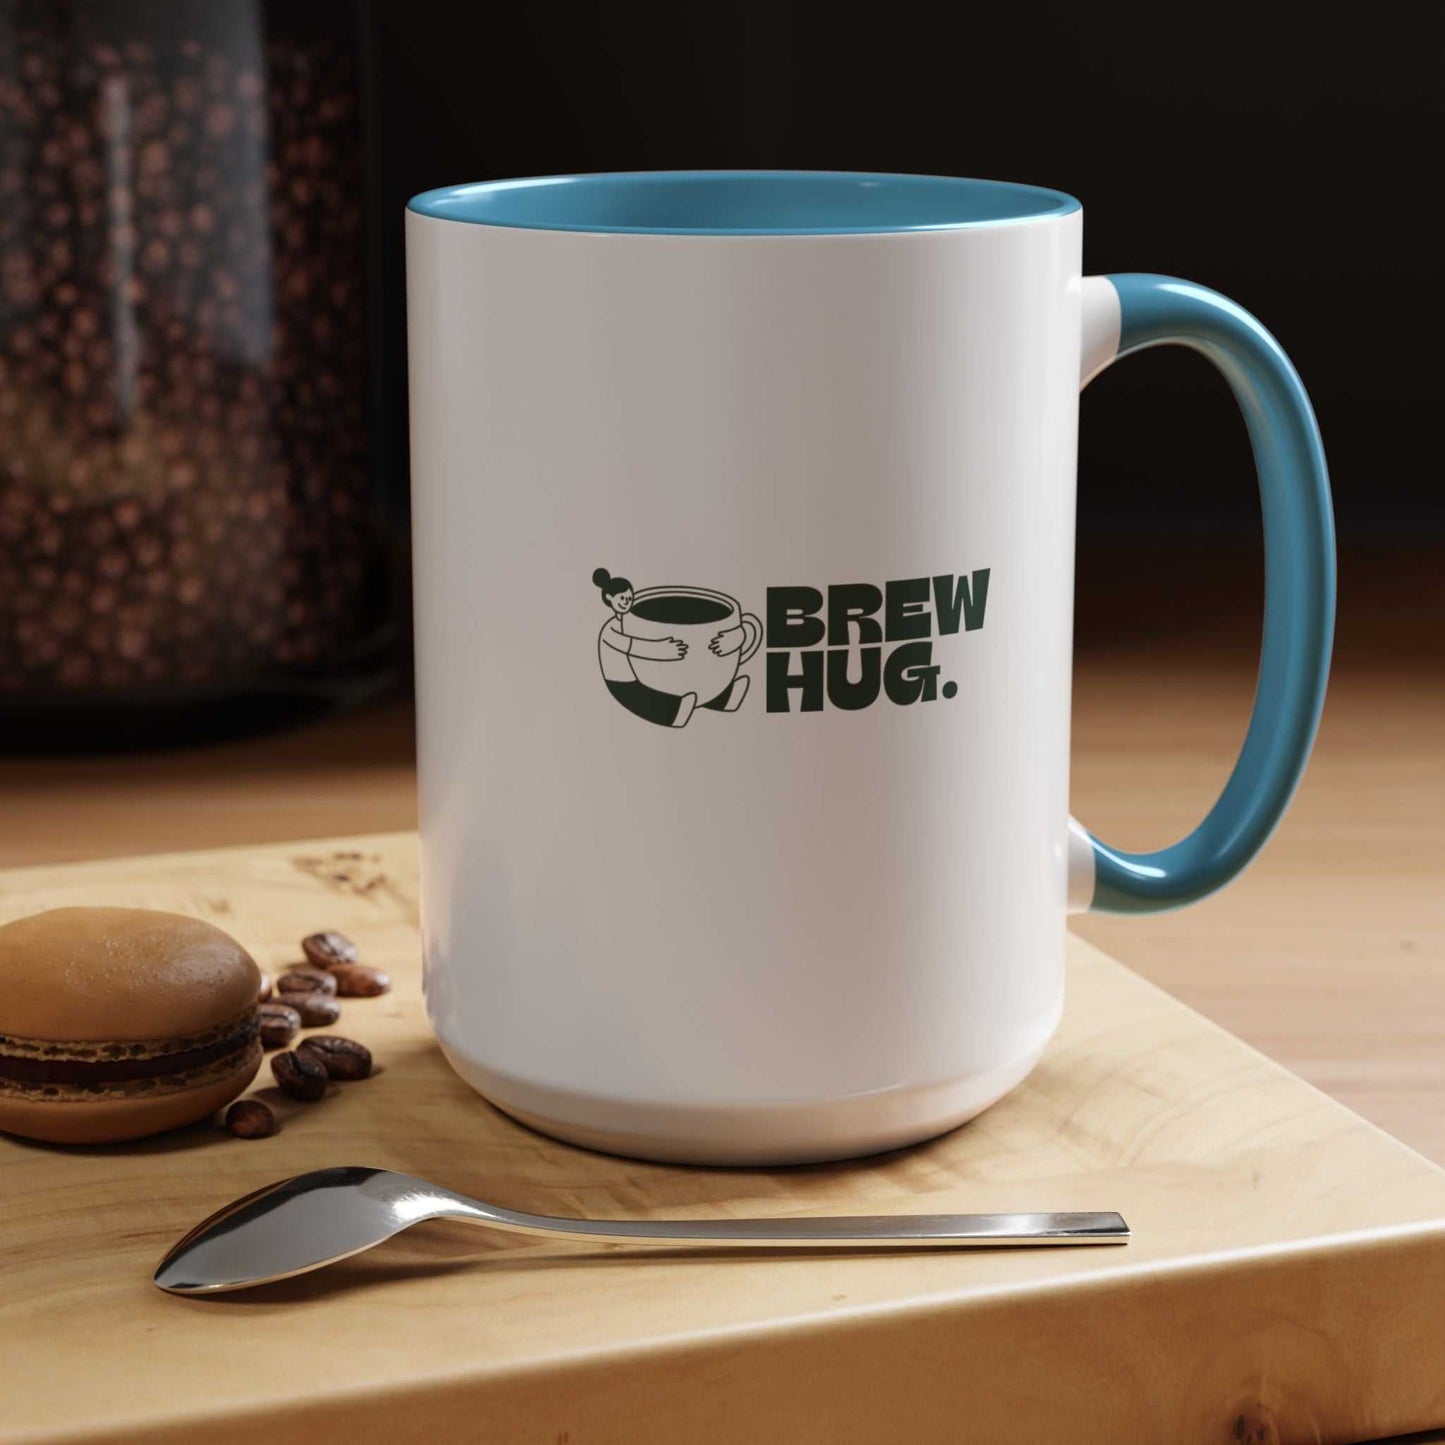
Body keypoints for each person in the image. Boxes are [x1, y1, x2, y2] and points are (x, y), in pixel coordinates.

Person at [593, 568, 697, 728]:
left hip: (637, 672)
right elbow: (633, 646)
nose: (627, 601)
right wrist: (662, 650)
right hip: (620, 681)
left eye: (630, 597)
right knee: (644, 699)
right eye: (622, 598)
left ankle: (723, 698)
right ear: (609, 598)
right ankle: (674, 713)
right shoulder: (610, 630)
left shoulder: (630, 621)